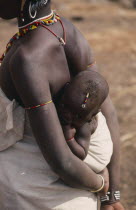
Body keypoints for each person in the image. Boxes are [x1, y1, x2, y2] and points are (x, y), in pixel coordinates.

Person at [0, 0, 125, 209]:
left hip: (39, 195)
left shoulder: (28, 58)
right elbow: (107, 111)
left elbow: (62, 162)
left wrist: (102, 185)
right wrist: (113, 195)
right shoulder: (67, 29)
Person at [57, 70, 112, 163]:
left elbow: (81, 154)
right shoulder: (77, 106)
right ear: (65, 90)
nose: (68, 116)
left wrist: (69, 138)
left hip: (96, 158)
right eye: (65, 106)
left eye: (78, 116)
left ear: (92, 116)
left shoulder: (85, 126)